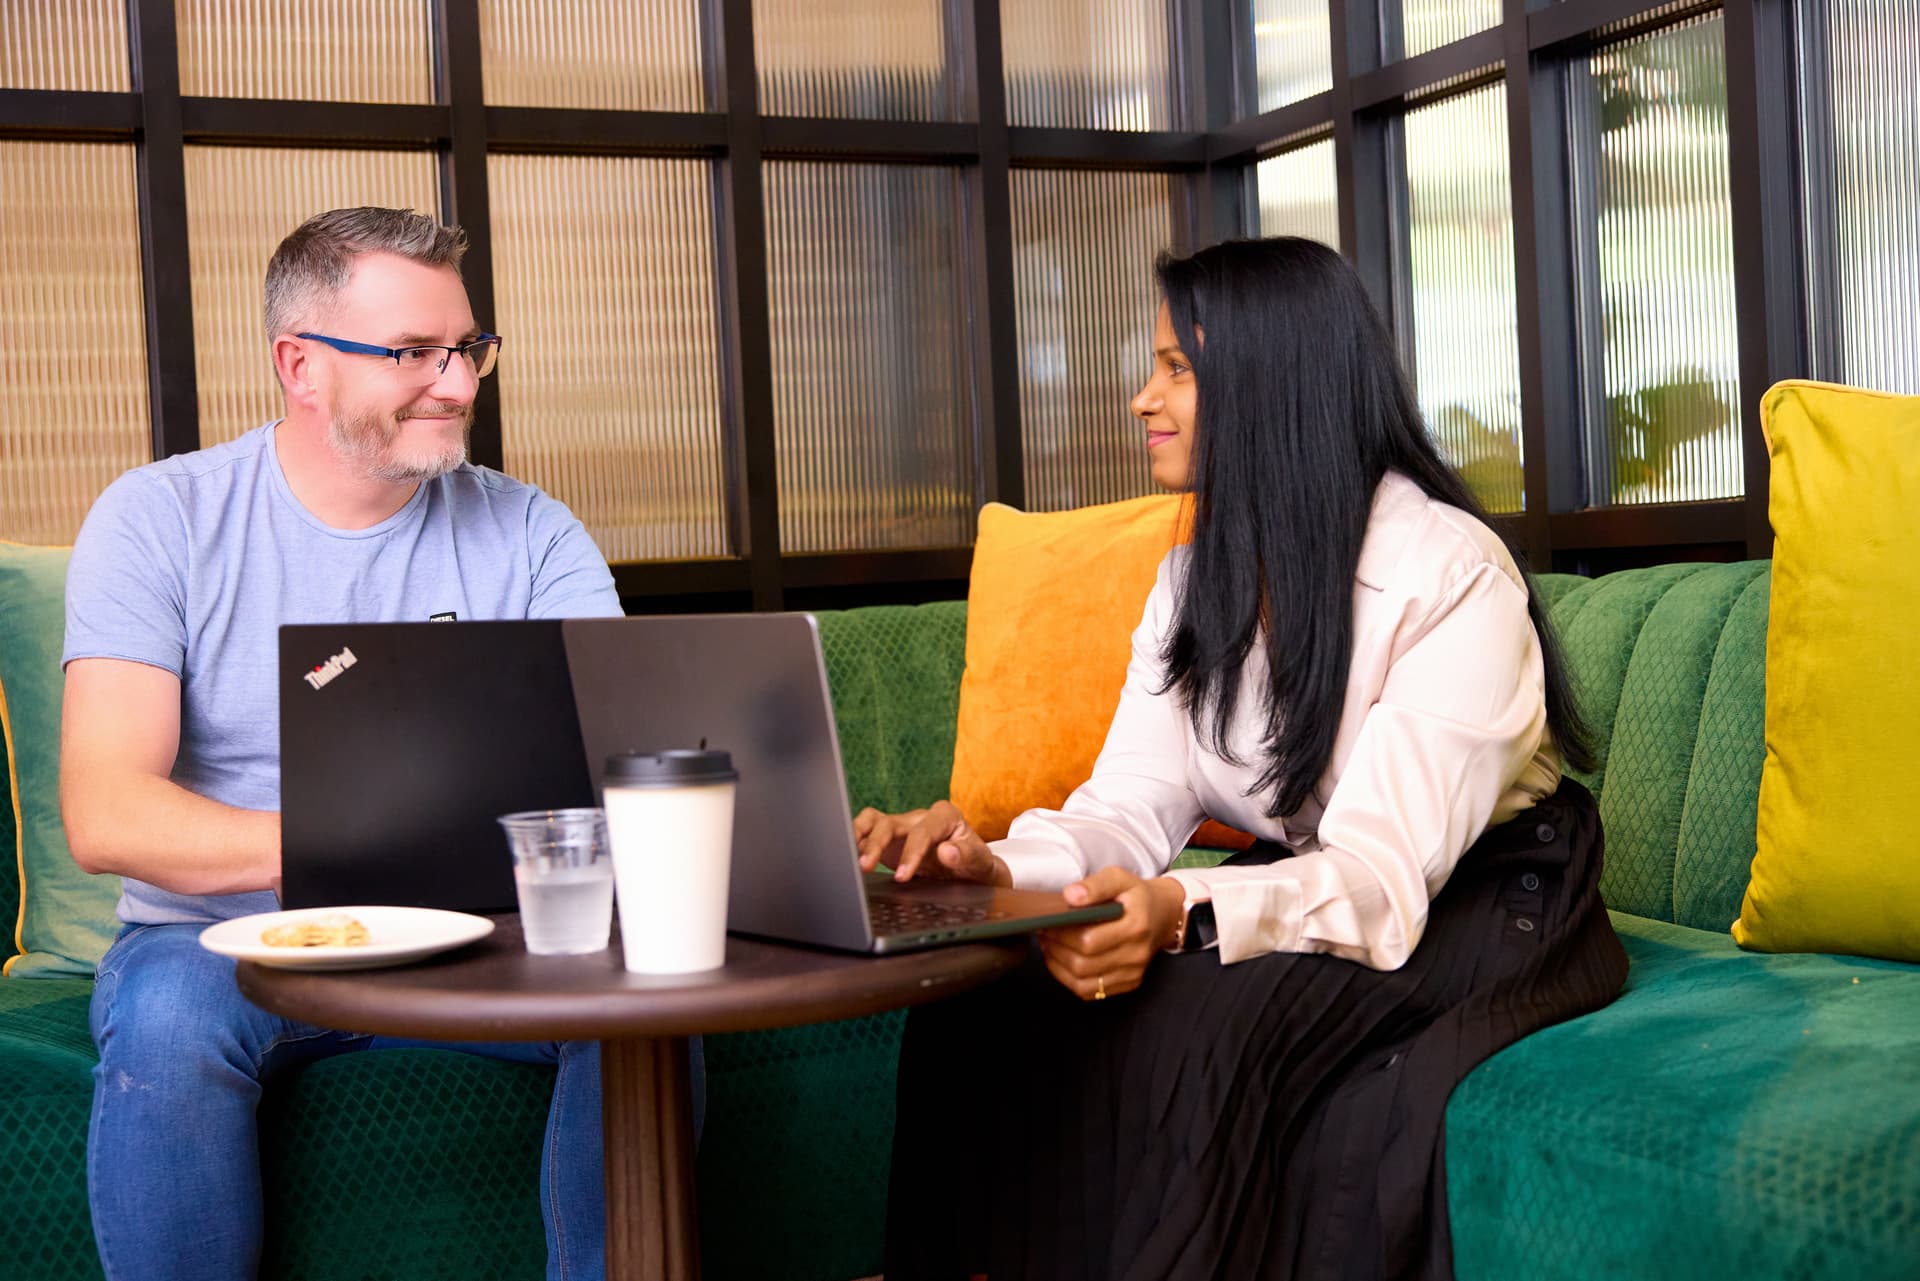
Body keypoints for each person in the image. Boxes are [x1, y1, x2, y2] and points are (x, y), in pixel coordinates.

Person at [855, 237, 1630, 1281]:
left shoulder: (1449, 575)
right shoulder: (1193, 581)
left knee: (1191, 1034)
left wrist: (1177, 911)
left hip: (1485, 894)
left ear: (1270, 378)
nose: (1142, 396)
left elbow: (1380, 877)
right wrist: (991, 869)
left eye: (1177, 366)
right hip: (1312, 878)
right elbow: (1130, 803)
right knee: (979, 1009)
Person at [62, 207, 628, 1281]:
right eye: (413, 353)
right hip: (224, 945)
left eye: (467, 349)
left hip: (481, 937)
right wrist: (360, 848)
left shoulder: (531, 530)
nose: (458, 385)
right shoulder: (159, 519)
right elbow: (108, 812)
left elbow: (621, 755)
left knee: (641, 1016)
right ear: (300, 366)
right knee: (169, 1021)